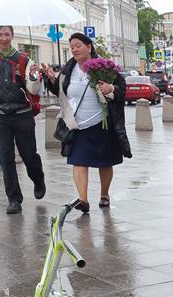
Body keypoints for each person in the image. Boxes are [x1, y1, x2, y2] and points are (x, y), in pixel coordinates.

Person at [43, 33, 132, 213]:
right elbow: (61, 91)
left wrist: (111, 88)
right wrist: (52, 79)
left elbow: (122, 90)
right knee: (79, 161)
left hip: (102, 123)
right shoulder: (68, 69)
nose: (74, 49)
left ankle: (104, 195)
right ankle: (83, 200)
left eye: (78, 45)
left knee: (105, 162)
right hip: (77, 124)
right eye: (72, 46)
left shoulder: (104, 67)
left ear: (89, 47)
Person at [0, 25, 45, 215]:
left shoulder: (23, 59)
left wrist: (34, 77)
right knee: (5, 158)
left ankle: (38, 179)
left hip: (22, 113)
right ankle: (14, 199)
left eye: (7, 34)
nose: (4, 38)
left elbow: (33, 90)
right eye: (0, 34)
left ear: (12, 36)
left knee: (29, 154)